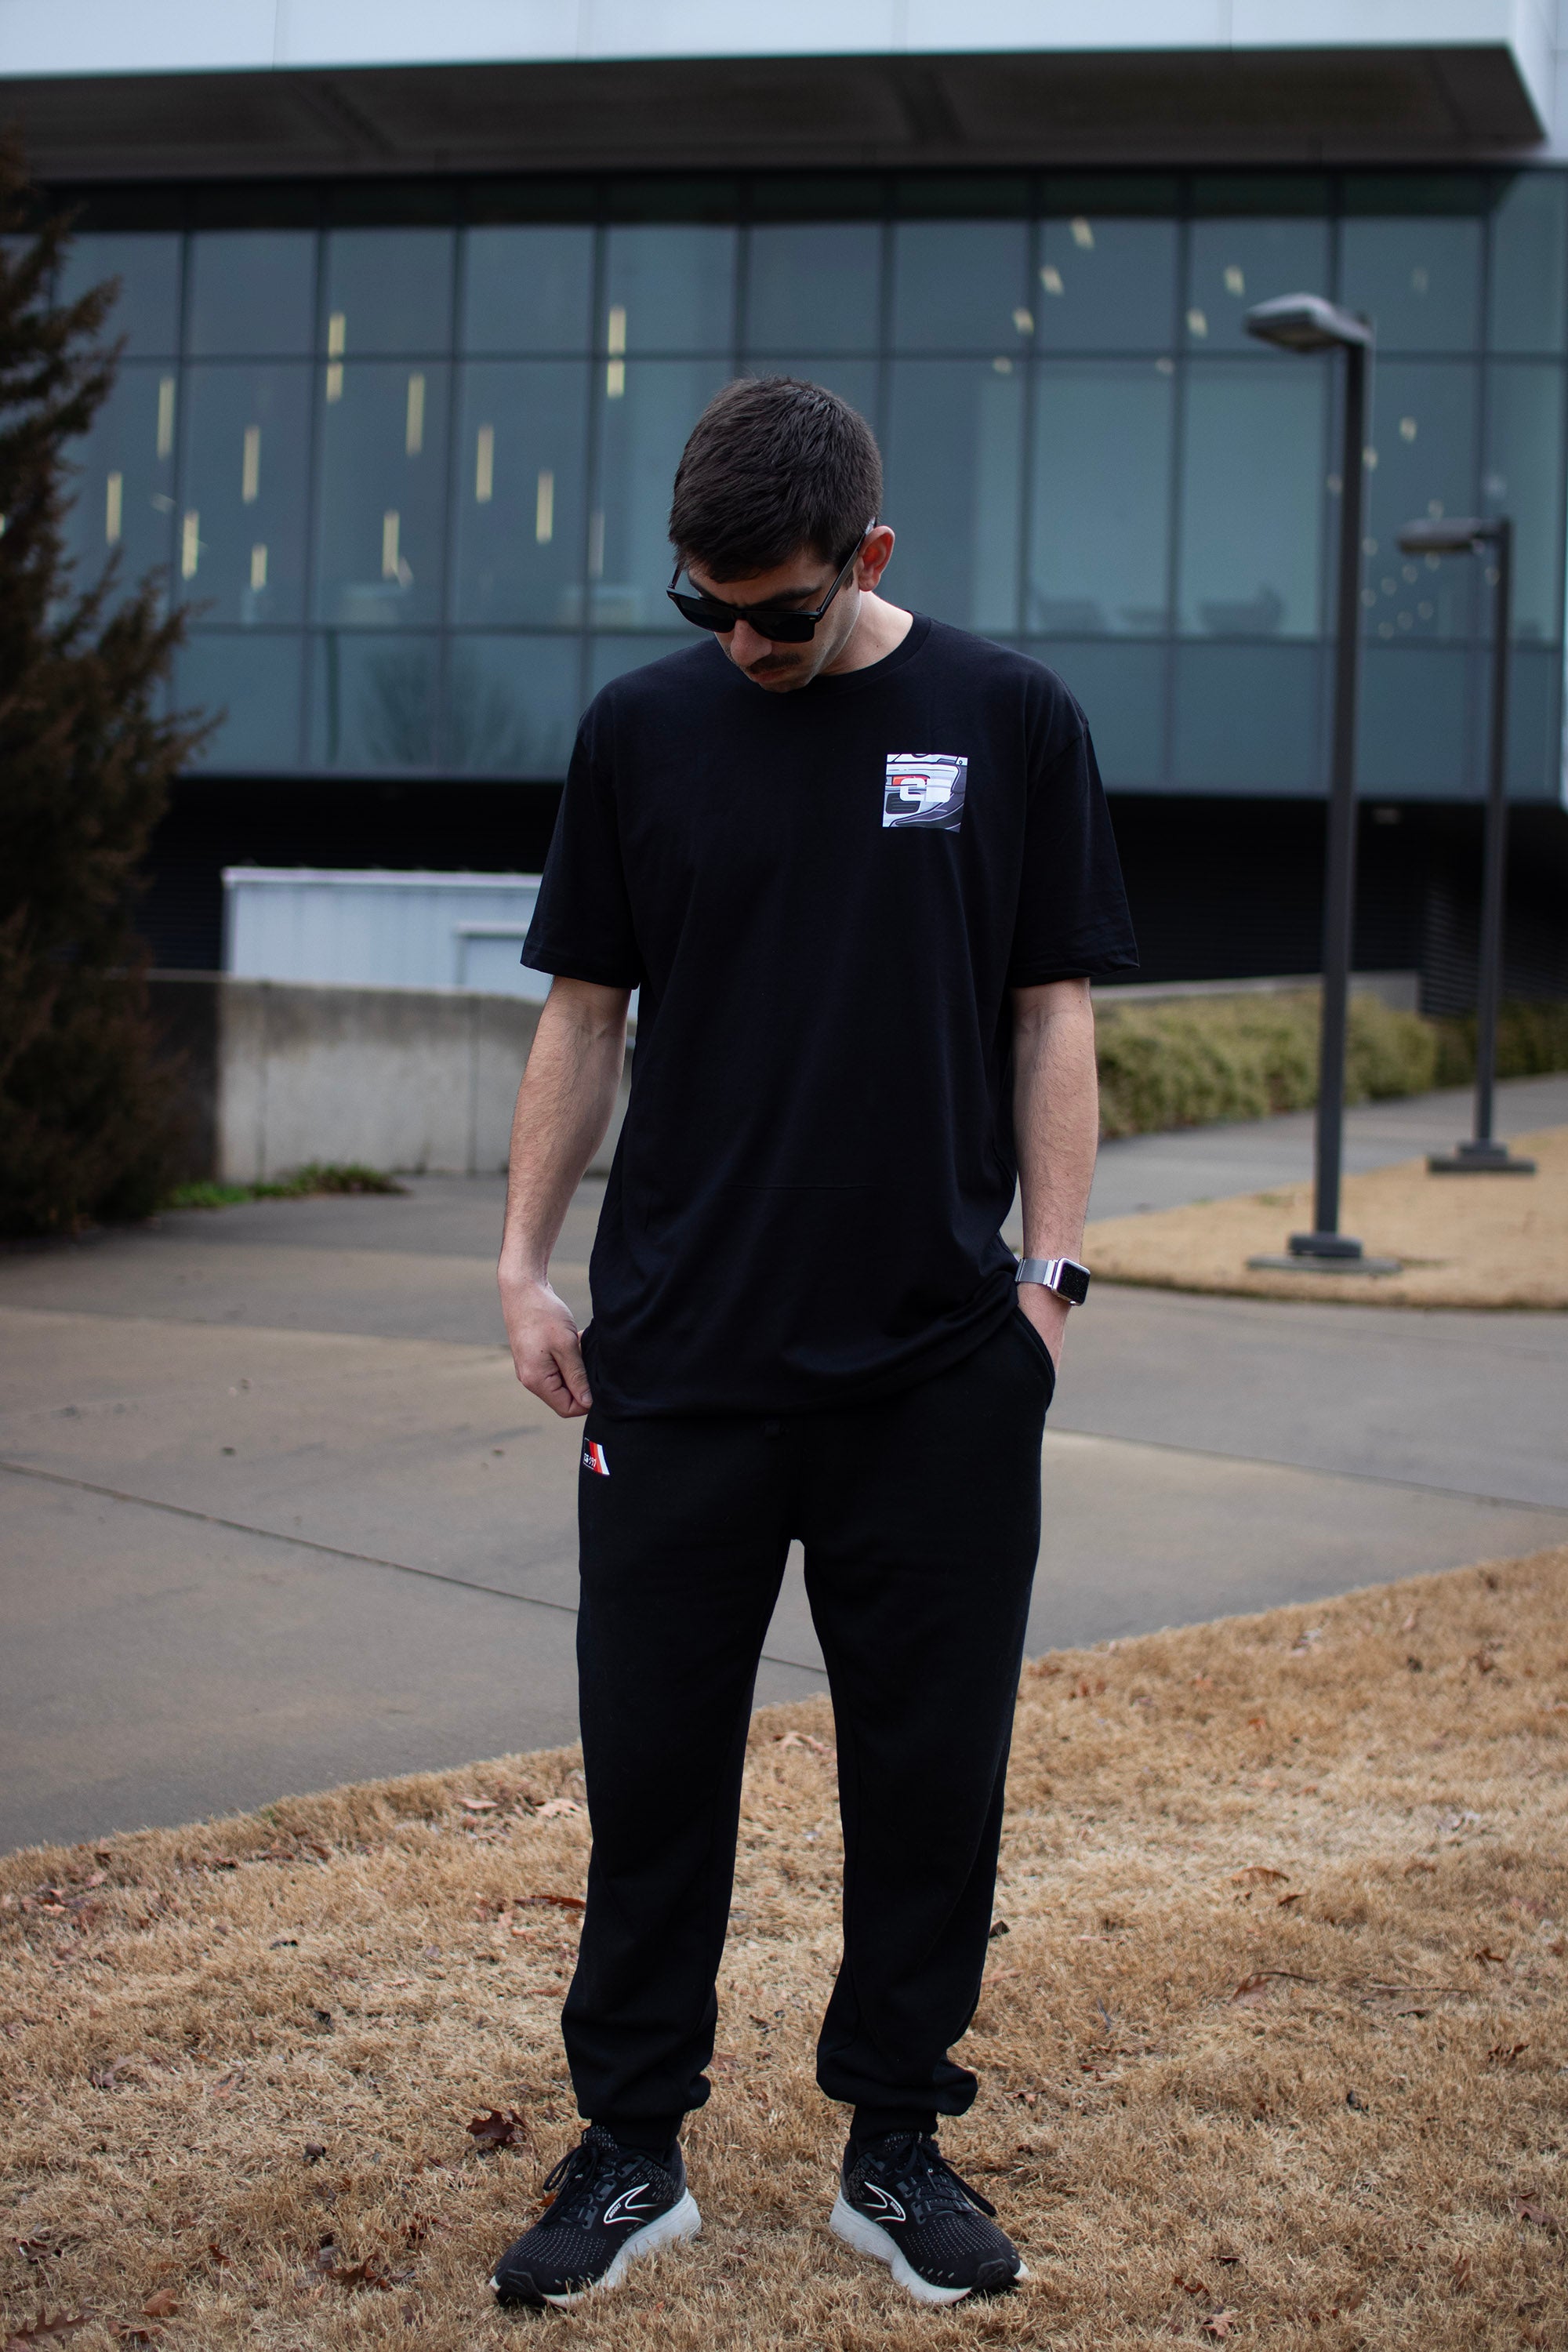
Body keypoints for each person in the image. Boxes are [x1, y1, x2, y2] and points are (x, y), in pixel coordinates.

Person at [491, 376, 1137, 2310]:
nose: (741, 645)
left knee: (930, 1782)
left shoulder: (1010, 718)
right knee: (652, 1775)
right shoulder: (640, 731)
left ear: (867, 556)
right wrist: (521, 1265)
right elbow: (584, 1012)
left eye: (776, 611)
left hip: (937, 1373)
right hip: (679, 1365)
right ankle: (632, 2149)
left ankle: (895, 2145)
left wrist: (1049, 1290)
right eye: (703, 607)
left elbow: (1050, 1011)